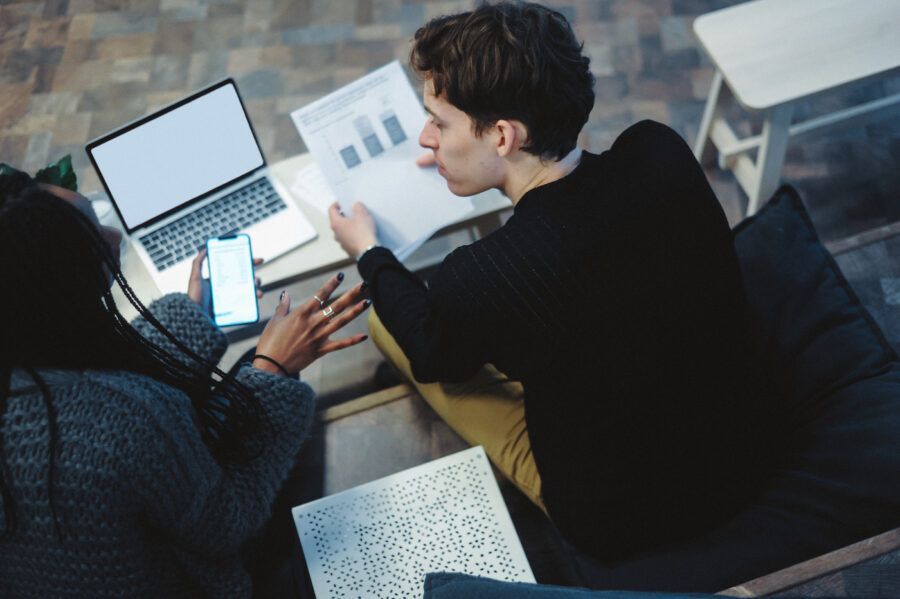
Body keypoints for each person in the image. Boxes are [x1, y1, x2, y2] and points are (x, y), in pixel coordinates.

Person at [329, 1, 777, 559]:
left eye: (439, 124)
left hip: (624, 515)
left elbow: (432, 353)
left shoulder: (484, 276)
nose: (426, 139)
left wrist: (370, 252)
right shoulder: (658, 149)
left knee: (391, 330)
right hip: (748, 451)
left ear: (502, 136)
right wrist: (463, 150)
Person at [0, 167, 369, 597]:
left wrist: (193, 318)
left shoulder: (24, 357)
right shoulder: (125, 421)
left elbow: (94, 369)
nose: (114, 236)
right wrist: (274, 371)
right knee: (290, 415)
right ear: (56, 283)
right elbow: (226, 522)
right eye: (91, 231)